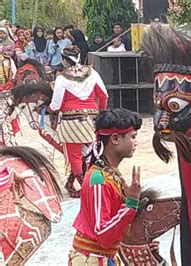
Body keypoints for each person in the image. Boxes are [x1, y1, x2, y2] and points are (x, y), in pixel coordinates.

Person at [68, 108, 146, 265]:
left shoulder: (110, 173)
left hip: (104, 256)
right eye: (133, 137)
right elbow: (103, 233)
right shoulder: (99, 179)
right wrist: (131, 203)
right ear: (115, 139)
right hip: (92, 259)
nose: (136, 142)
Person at [48, 46, 108, 198]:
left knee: (74, 156)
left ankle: (85, 187)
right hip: (92, 119)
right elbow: (103, 95)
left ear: (63, 60)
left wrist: (48, 109)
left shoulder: (62, 78)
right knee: (93, 153)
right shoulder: (92, 73)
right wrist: (101, 110)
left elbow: (56, 104)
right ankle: (91, 183)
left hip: (70, 122)